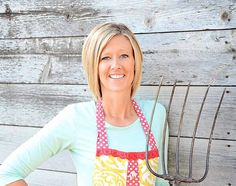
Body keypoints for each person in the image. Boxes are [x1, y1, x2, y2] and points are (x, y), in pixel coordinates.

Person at [0, 23, 169, 186]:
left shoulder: (155, 115)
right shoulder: (76, 117)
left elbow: (160, 181)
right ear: (93, 66)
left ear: (135, 61)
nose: (116, 65)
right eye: (105, 57)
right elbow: (6, 174)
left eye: (124, 55)